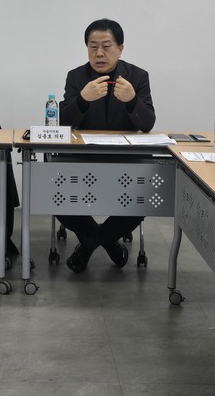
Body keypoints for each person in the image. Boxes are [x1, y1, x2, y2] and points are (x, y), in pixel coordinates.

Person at [58, 18, 156, 273]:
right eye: (93, 47)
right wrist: (82, 100)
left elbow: (148, 124)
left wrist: (132, 101)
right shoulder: (76, 77)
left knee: (143, 197)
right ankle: (108, 241)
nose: (99, 53)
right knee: (55, 194)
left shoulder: (137, 77)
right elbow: (62, 122)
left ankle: (90, 243)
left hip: (126, 160)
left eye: (106, 46)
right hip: (82, 159)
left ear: (120, 48)